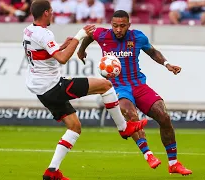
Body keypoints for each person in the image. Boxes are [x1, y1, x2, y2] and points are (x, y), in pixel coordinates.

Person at [23, 1, 147, 180]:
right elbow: (63, 59)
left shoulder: (28, 30)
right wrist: (79, 35)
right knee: (106, 86)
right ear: (45, 13)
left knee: (74, 127)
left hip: (40, 89)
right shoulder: (44, 33)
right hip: (52, 85)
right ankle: (123, 128)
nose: (52, 14)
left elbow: (44, 52)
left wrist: (62, 46)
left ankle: (52, 171)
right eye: (51, 12)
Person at [77, 10, 192, 176]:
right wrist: (81, 51)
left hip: (138, 85)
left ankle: (173, 163)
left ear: (128, 25)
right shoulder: (102, 34)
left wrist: (167, 64)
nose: (118, 29)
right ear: (111, 25)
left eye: (122, 26)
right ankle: (148, 154)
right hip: (118, 87)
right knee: (132, 116)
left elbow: (152, 51)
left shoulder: (137, 37)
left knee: (164, 117)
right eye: (115, 26)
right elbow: (89, 35)